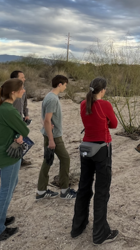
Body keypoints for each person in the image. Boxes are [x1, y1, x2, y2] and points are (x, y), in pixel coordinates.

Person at [71, 77, 119, 245]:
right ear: (103, 90)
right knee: (101, 190)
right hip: (102, 149)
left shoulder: (84, 104)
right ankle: (100, 233)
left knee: (84, 186)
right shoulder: (105, 105)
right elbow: (114, 124)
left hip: (86, 147)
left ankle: (78, 226)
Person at [0, 78, 30, 244]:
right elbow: (24, 129)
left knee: (11, 185)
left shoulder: (0, 107)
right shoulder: (8, 110)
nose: (24, 90)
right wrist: (20, 132)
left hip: (0, 151)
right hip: (8, 155)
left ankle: (0, 220)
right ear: (13, 92)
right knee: (5, 191)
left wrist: (16, 134)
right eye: (21, 88)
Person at [36, 75, 77, 200]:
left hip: (49, 134)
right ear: (60, 84)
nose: (65, 87)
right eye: (65, 84)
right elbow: (47, 120)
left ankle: (41, 191)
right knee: (65, 159)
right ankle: (64, 191)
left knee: (47, 160)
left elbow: (45, 119)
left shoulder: (49, 96)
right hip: (54, 137)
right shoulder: (52, 99)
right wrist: (52, 140)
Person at [10, 70, 32, 167]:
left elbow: (25, 103)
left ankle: (20, 160)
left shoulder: (23, 89)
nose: (24, 79)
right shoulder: (8, 89)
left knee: (20, 139)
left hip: (19, 118)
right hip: (10, 119)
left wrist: (26, 114)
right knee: (11, 140)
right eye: (22, 77)